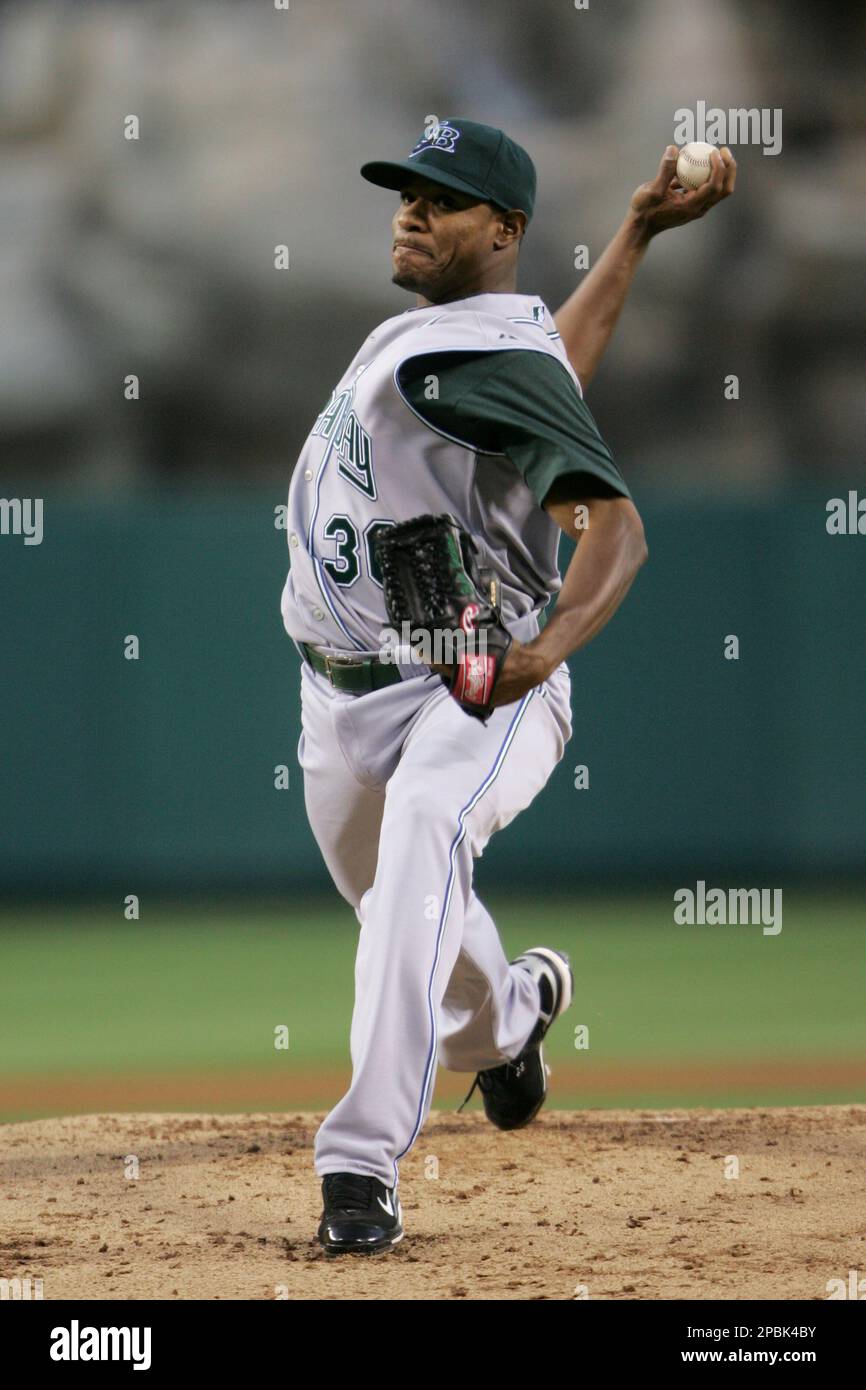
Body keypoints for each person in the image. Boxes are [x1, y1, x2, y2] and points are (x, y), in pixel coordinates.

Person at [279, 118, 736, 1254]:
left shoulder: (476, 354)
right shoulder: (476, 336)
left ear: (504, 229)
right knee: (402, 900)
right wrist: (632, 231)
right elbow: (553, 365)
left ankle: (359, 1162)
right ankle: (515, 1021)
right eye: (403, 192)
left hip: (473, 679)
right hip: (339, 701)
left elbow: (615, 531)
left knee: (426, 832)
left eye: (439, 199)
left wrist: (541, 657)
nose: (409, 211)